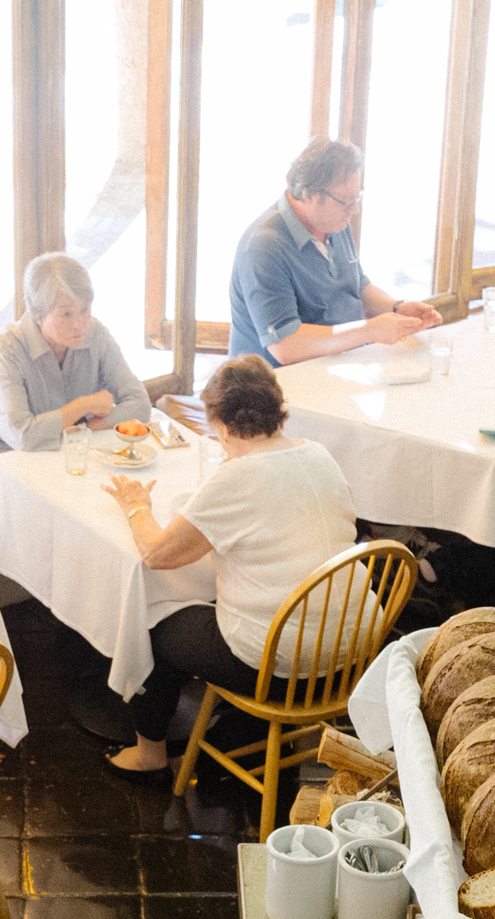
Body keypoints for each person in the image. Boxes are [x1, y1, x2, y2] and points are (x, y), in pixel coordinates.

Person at [98, 356, 356, 781]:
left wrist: (136, 507)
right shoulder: (319, 454)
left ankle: (150, 755)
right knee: (235, 594)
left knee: (151, 616)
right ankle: (240, 735)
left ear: (220, 423)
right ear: (278, 410)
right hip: (351, 647)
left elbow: (157, 554)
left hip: (286, 666)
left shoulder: (239, 475)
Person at [0, 252, 151, 520]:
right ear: (37, 314)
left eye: (84, 310)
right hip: (11, 465)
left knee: (120, 508)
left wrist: (79, 430)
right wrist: (83, 406)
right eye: (66, 314)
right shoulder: (7, 347)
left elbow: (140, 405)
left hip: (67, 457)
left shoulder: (96, 334)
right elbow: (22, 436)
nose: (80, 324)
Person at [226, 137, 442, 363]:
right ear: (308, 193)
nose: (354, 209)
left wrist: (397, 309)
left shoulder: (333, 222)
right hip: (275, 386)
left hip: (338, 366)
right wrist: (370, 330)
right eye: (346, 201)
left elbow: (357, 286)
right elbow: (286, 345)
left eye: (357, 197)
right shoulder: (263, 247)